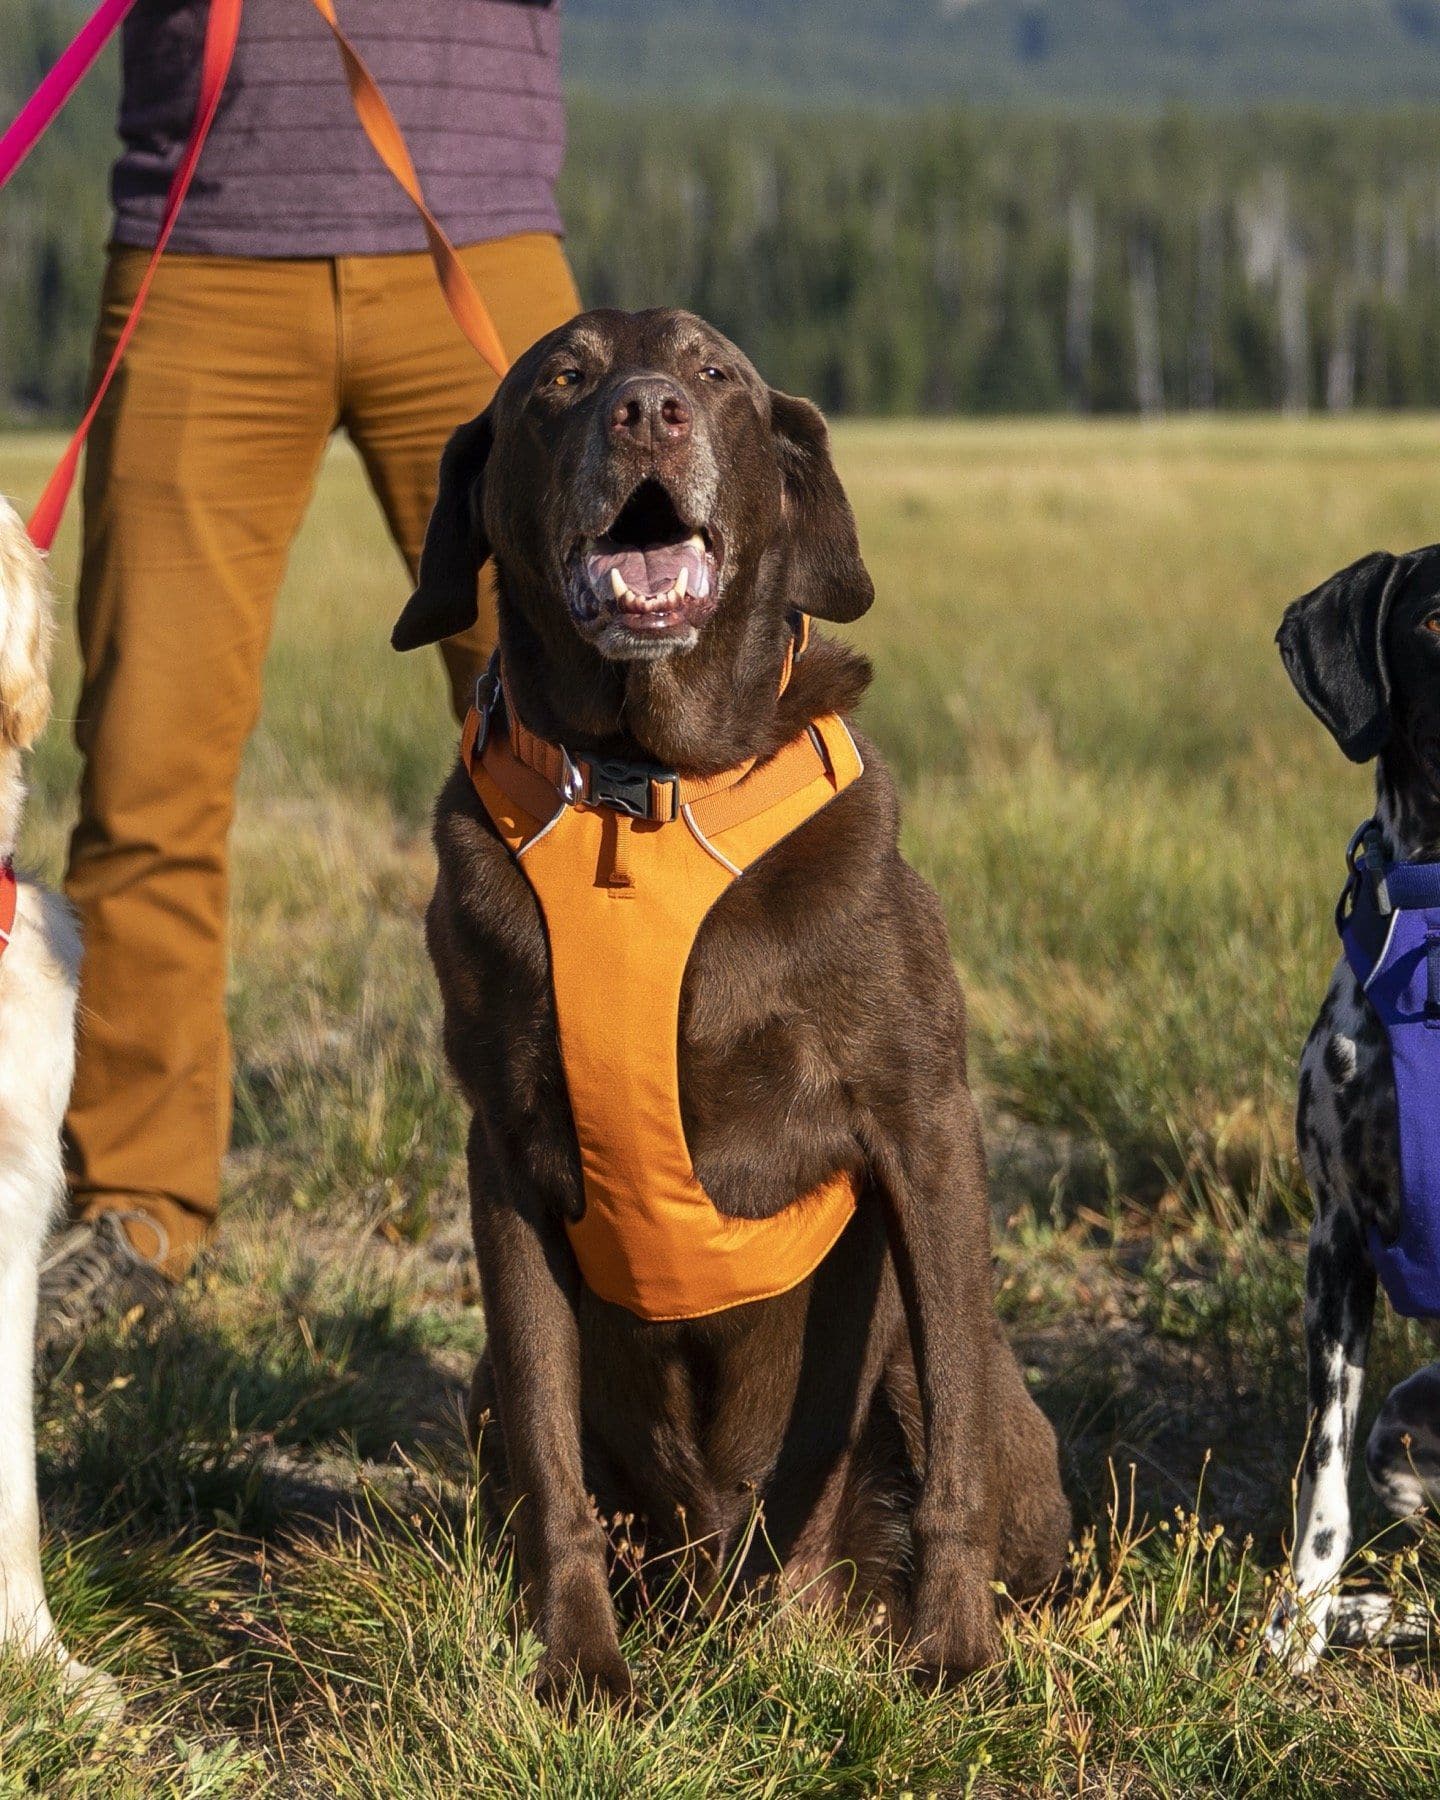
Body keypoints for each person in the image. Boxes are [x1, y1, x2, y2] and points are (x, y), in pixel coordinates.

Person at [38, 0, 579, 1347]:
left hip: (478, 225)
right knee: (144, 765)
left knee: (586, 756)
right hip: (197, 242)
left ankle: (632, 1194)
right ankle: (138, 1219)